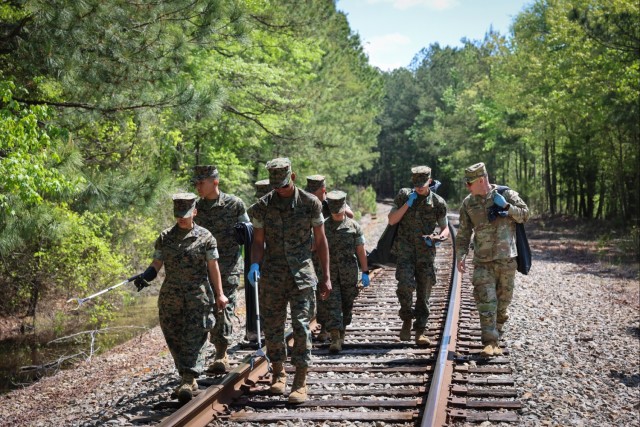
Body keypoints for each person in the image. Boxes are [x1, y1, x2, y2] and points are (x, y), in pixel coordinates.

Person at [248, 158, 332, 404]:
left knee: (301, 327)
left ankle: (300, 381)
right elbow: (258, 242)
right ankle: (278, 372)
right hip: (272, 276)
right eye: (276, 186)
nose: (280, 190)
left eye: (283, 184)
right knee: (273, 328)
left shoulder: (310, 203)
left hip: (302, 275)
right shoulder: (262, 207)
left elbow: (321, 240)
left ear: (292, 178)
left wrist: (326, 276)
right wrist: (254, 264)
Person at [134, 193, 228, 403]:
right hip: (171, 297)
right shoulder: (165, 237)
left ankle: (188, 378)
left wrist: (220, 293)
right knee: (174, 336)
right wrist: (146, 276)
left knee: (195, 337)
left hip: (198, 296)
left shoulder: (206, 237)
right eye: (178, 215)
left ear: (194, 212)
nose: (181, 219)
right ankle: (185, 375)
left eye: (185, 214)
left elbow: (213, 268)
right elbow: (157, 263)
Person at [455, 162, 529, 357]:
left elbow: (525, 215)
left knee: (503, 304)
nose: (467, 187)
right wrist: (460, 256)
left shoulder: (507, 195)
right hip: (482, 261)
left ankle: (497, 331)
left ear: (481, 180)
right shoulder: (468, 203)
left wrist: (506, 207)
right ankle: (489, 341)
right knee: (486, 301)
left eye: (469, 183)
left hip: (506, 260)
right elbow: (463, 233)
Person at [191, 165, 249, 374]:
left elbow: (248, 232)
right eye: (196, 183)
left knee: (223, 306)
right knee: (203, 310)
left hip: (228, 266)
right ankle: (200, 356)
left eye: (201, 183)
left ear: (215, 182)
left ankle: (221, 353)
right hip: (203, 268)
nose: (198, 187)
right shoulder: (196, 208)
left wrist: (244, 233)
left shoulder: (234, 204)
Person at [388, 166, 449, 345]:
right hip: (405, 251)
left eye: (422, 184)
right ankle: (407, 319)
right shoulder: (404, 196)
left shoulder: (438, 202)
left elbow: (445, 228)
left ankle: (420, 331)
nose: (419, 188)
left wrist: (438, 237)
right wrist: (408, 204)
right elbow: (392, 220)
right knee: (405, 286)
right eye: (416, 184)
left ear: (430, 181)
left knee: (424, 294)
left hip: (426, 254)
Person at [305, 175, 352, 341]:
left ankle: (326, 327)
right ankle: (323, 325)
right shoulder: (304, 202)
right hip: (312, 254)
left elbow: (350, 216)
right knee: (318, 291)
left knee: (329, 291)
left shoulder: (330, 202)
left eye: (315, 192)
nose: (311, 194)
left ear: (323, 191)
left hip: (333, 254)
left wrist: (333, 205)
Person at [322, 190, 370, 353]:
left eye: (338, 208)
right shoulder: (323, 226)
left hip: (349, 273)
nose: (336, 212)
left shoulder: (353, 226)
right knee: (333, 304)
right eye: (333, 209)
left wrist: (365, 271)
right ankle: (335, 338)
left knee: (347, 306)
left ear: (343, 207)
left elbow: (361, 250)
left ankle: (342, 331)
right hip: (330, 274)